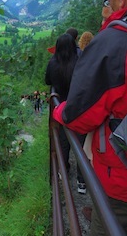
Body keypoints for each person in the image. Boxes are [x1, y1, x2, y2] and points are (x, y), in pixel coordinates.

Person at [53, 0, 127, 234]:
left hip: (121, 182)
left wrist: (59, 110)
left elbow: (79, 115)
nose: (105, 8)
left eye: (107, 1)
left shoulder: (113, 43)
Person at [45, 33, 86, 193]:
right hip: (79, 108)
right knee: (82, 146)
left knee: (63, 141)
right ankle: (82, 182)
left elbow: (47, 81)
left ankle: (64, 169)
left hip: (61, 108)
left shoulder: (53, 63)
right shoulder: (80, 61)